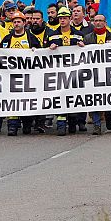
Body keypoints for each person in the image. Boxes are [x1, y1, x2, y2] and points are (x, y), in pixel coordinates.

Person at [0, 11, 44, 136]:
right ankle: (12, 126)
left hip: (29, 77)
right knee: (12, 101)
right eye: (14, 22)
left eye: (19, 21)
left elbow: (41, 55)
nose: (16, 24)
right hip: (12, 77)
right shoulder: (7, 39)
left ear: (24, 23)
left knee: (27, 101)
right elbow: (0, 55)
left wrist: (36, 51)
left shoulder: (31, 38)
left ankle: (27, 124)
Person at [45, 7, 85, 135]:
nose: (62, 20)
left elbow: (85, 51)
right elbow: (43, 52)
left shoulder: (78, 34)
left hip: (74, 72)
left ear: (70, 19)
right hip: (58, 72)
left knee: (73, 97)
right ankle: (61, 125)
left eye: (65, 18)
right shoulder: (52, 35)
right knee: (60, 97)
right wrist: (49, 48)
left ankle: (73, 123)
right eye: (60, 18)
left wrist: (82, 47)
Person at [82, 14, 111, 134]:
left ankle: (108, 116)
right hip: (93, 74)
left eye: (100, 20)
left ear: (105, 23)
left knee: (108, 98)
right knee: (94, 99)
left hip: (109, 73)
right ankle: (97, 125)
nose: (98, 23)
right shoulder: (88, 38)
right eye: (96, 20)